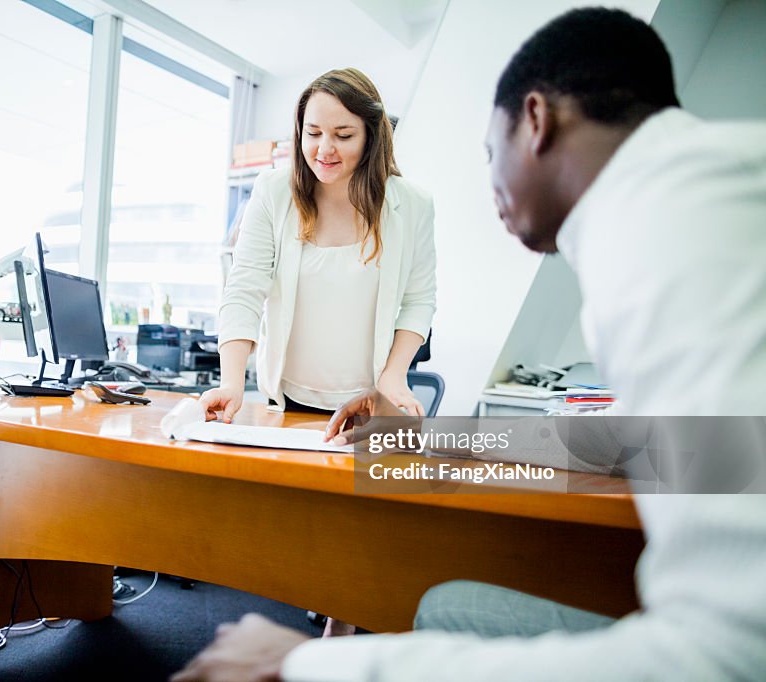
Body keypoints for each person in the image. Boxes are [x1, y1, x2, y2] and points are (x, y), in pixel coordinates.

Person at [173, 7, 766, 681]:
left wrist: (309, 665)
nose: (492, 188)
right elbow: (694, 443)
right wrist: (435, 443)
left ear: (536, 121)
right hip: (319, 406)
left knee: (446, 602)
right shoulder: (708, 193)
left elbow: (732, 654)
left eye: (491, 151)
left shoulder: (673, 231)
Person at [200, 68, 437, 424]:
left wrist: (394, 376)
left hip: (370, 404)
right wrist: (231, 382)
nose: (324, 149)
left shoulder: (413, 204)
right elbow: (244, 290)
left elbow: (419, 301)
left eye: (343, 135)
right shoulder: (273, 192)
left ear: (371, 138)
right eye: (313, 133)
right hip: (287, 400)